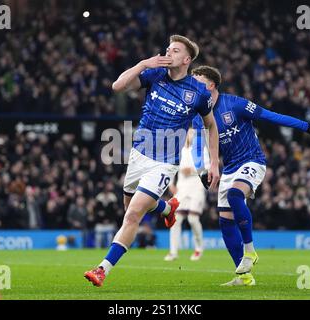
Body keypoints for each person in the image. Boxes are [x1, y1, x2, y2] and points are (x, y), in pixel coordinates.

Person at [84, 35, 220, 287]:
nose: (168, 52)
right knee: (129, 207)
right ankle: (166, 209)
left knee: (133, 213)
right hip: (138, 155)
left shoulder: (198, 92)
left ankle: (102, 269)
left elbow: (211, 126)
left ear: (186, 59)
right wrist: (144, 64)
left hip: (164, 163)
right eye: (168, 48)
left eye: (175, 50)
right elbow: (117, 86)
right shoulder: (155, 75)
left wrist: (213, 163)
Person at [191, 65, 310, 286]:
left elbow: (270, 116)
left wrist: (306, 126)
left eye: (198, 80)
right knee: (225, 224)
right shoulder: (199, 115)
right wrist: (202, 171)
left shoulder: (235, 103)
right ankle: (244, 277)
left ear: (211, 85)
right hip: (229, 169)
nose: (193, 84)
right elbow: (197, 145)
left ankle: (250, 251)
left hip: (252, 161)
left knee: (235, 195)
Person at [164, 129, 209, 261]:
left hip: (197, 186)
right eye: (188, 133)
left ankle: (199, 249)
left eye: (192, 134)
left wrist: (193, 170)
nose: (189, 136)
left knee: (193, 219)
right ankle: (173, 252)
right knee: (176, 219)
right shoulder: (179, 151)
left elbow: (207, 167)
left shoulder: (201, 150)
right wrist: (171, 184)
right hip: (182, 188)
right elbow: (172, 168)